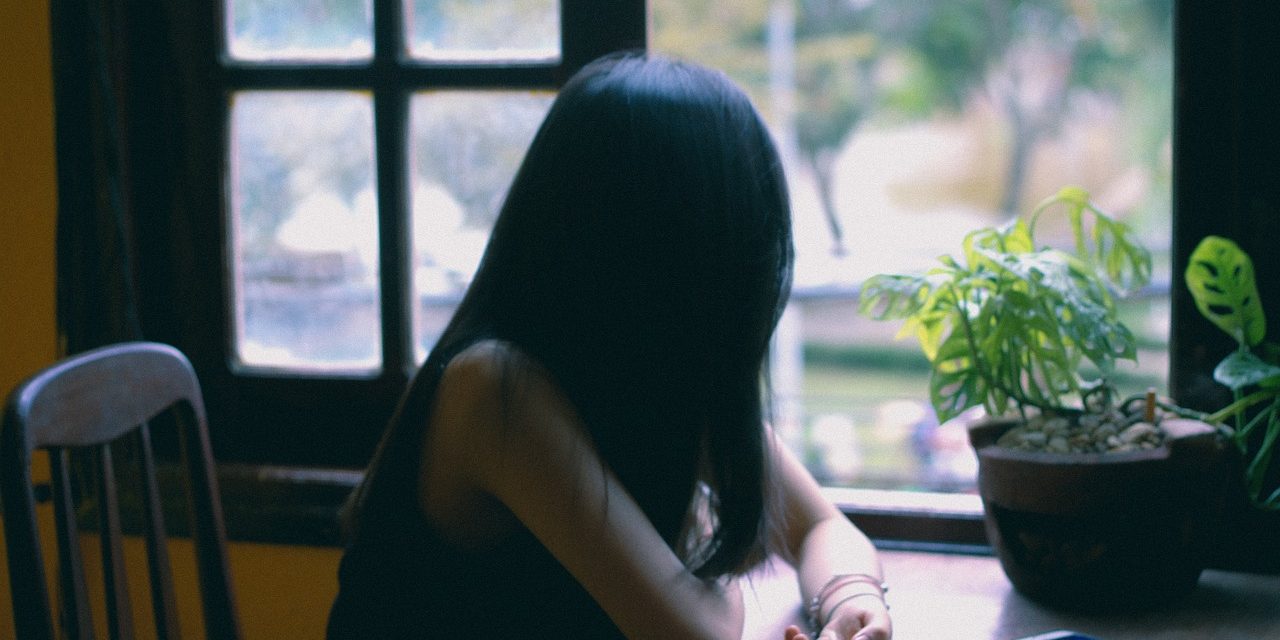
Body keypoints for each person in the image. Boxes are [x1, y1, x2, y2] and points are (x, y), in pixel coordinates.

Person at [325, 51, 893, 640]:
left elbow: (824, 528)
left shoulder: (650, 376)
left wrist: (850, 604)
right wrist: (703, 538)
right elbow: (701, 632)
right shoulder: (496, 391)